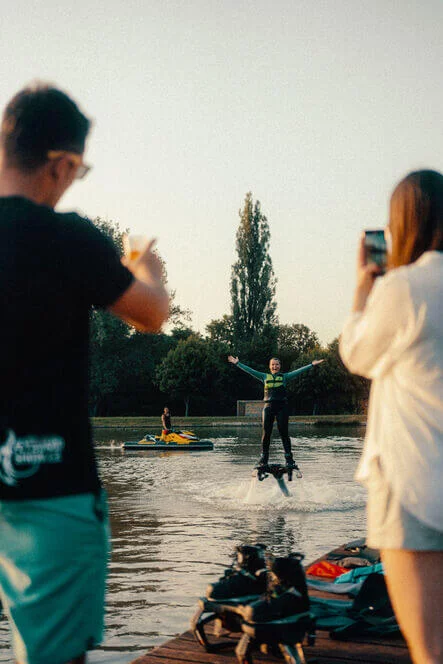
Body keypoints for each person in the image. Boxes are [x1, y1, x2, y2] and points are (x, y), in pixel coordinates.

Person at [0, 83, 169, 664]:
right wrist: (145, 264)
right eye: (80, 169)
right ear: (61, 163)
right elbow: (152, 312)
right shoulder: (67, 236)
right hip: (51, 490)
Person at [339, 170, 443, 664]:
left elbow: (358, 354)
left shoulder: (405, 286)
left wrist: (363, 286)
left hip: (413, 485)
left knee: (429, 650)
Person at [228, 355, 324, 472]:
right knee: (266, 433)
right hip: (268, 407)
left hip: (281, 408)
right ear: (269, 367)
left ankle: (289, 459)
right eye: (273, 364)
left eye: (277, 364)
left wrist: (311, 365)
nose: (275, 366)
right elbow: (250, 371)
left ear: (280, 366)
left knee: (284, 433)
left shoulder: (284, 377)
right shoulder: (264, 376)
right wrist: (238, 363)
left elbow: (298, 372)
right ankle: (264, 458)